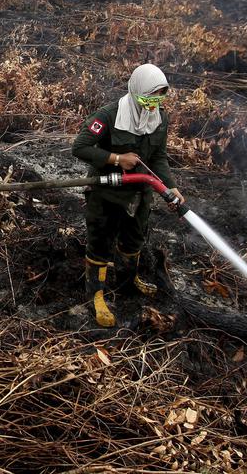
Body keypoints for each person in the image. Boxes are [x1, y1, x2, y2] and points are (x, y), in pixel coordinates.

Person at [71, 63, 184, 327]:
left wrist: (170, 186)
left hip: (140, 194)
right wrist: (115, 158)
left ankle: (127, 282)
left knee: (134, 240)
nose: (154, 103)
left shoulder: (159, 119)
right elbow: (80, 147)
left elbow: (158, 157)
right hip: (107, 193)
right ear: (136, 91)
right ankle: (96, 296)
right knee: (100, 242)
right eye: (149, 96)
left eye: (160, 96)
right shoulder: (109, 116)